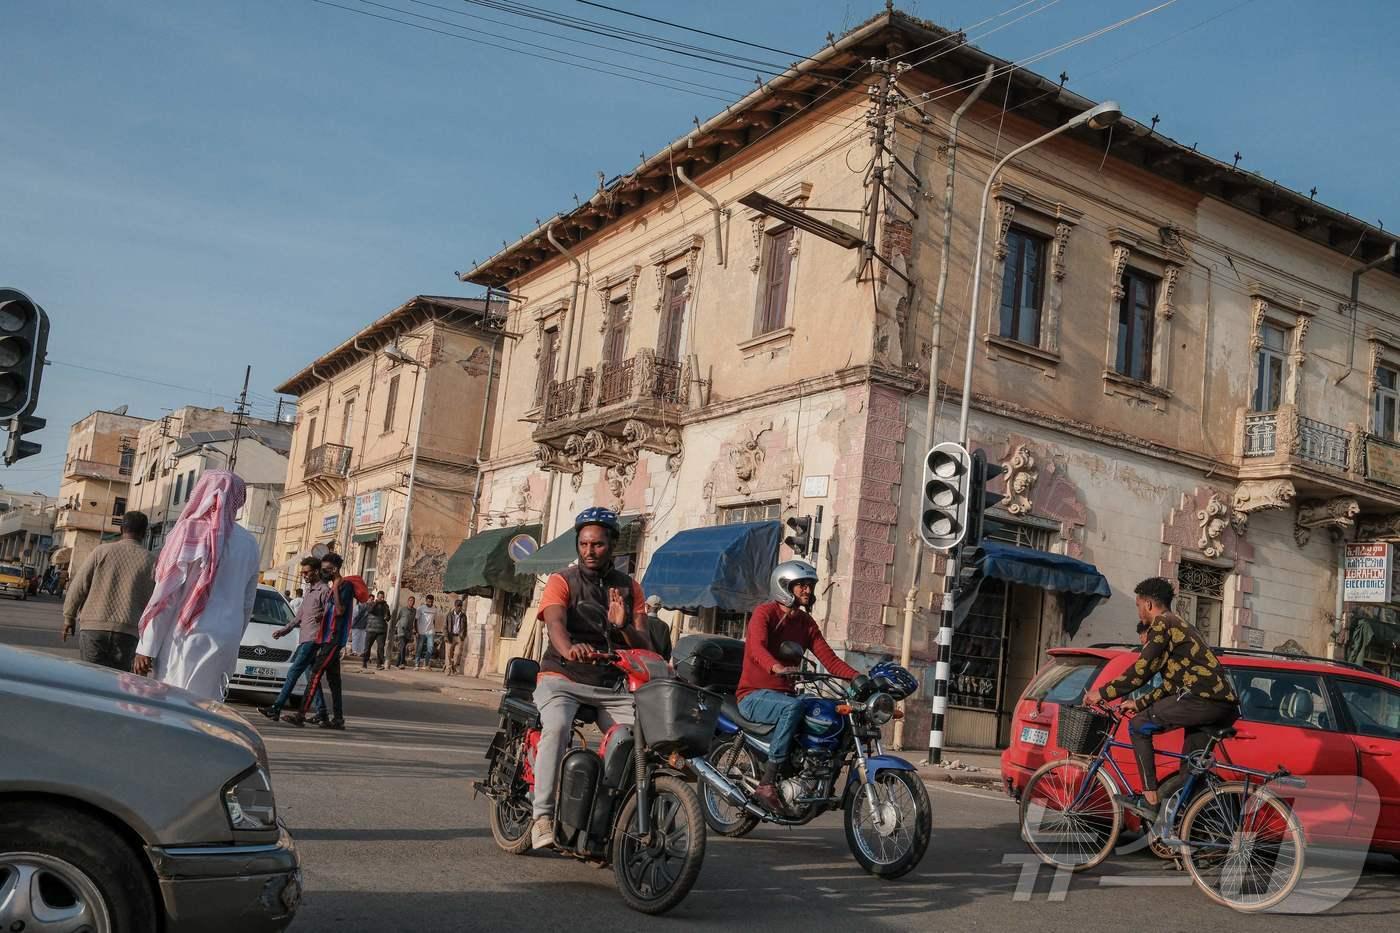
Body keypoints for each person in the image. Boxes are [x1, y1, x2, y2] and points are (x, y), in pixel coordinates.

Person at [530, 507, 652, 850]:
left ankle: (604, 817)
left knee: (633, 739)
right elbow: (554, 623)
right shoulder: (562, 580)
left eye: (597, 544)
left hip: (608, 683)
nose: (589, 551)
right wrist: (568, 649)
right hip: (562, 676)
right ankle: (542, 816)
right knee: (557, 726)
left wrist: (622, 625)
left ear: (612, 544)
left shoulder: (630, 588)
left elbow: (646, 644)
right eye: (584, 544)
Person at [1084, 577, 1240, 821]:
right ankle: (1188, 834)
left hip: (1202, 700)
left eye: (1137, 606)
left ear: (1147, 604)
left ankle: (1149, 799)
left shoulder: (1162, 624)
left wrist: (1101, 693)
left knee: (1138, 726)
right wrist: (1139, 703)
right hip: (1220, 704)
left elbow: (1141, 671)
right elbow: (1171, 682)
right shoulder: (1181, 625)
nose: (1138, 612)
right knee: (1190, 772)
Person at [737, 559, 860, 812]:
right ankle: (767, 782)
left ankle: (814, 776)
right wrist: (777, 667)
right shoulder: (765, 613)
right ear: (784, 586)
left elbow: (830, 659)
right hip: (753, 695)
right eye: (801, 585)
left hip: (785, 696)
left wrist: (858, 677)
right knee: (792, 708)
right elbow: (756, 647)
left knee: (828, 710)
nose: (807, 590)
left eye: (809, 585)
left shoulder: (806, 624)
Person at [133, 472, 261, 701]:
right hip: (225, 639)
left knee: (174, 704)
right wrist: (231, 637)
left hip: (188, 636)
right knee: (208, 708)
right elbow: (247, 603)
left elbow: (168, 594)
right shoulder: (250, 543)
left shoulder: (189, 531)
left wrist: (147, 646)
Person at [60, 511, 157, 672]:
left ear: (121, 530)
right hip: (128, 632)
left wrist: (68, 618)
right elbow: (156, 604)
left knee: (90, 679)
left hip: (93, 628)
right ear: (144, 533)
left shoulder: (101, 551)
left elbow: (78, 586)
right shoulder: (152, 561)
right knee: (117, 684)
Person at [287, 552, 355, 729]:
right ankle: (338, 719)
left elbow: (340, 611)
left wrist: (336, 590)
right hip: (326, 638)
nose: (323, 572)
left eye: (326, 569)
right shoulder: (334, 586)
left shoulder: (345, 586)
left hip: (334, 639)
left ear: (334, 569)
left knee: (315, 673)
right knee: (334, 681)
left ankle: (301, 714)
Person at [259, 557, 329, 723]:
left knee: (293, 672)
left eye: (307, 572)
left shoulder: (324, 591)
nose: (304, 575)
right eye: (302, 572)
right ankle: (323, 712)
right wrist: (284, 631)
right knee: (312, 678)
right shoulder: (310, 591)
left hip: (314, 640)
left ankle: (276, 708)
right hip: (304, 638)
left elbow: (332, 615)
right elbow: (299, 617)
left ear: (316, 571)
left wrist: (323, 617)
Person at [362, 590, 391, 670]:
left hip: (381, 630)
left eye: (382, 597)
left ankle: (379, 664)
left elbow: (388, 617)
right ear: (377, 597)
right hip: (371, 628)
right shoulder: (372, 604)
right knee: (367, 647)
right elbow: (370, 610)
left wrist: (387, 617)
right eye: (380, 597)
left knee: (381, 647)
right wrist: (376, 603)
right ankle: (364, 662)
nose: (381, 598)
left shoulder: (386, 606)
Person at [643, 594, 673, 661]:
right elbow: (668, 651)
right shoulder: (665, 626)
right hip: (658, 664)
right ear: (659, 609)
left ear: (647, 606)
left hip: (643, 662)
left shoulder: (642, 622)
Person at [415, 594, 439, 671]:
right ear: (426, 601)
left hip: (430, 632)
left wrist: (433, 629)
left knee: (431, 648)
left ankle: (426, 663)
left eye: (431, 602)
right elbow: (416, 620)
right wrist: (416, 631)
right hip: (421, 631)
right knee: (419, 648)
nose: (430, 603)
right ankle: (417, 663)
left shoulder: (435, 609)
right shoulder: (420, 608)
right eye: (429, 602)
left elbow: (434, 620)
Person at [444, 598, 467, 675]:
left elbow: (465, 627)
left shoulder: (463, 616)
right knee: (448, 654)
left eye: (460, 606)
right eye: (458, 606)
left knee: (457, 654)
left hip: (459, 637)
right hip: (450, 636)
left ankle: (453, 666)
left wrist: (463, 636)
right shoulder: (449, 615)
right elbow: (445, 626)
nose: (459, 607)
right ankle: (448, 669)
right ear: (455, 606)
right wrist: (446, 636)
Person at [393, 595, 416, 669]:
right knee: (402, 646)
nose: (411, 602)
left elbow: (414, 621)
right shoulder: (403, 609)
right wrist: (394, 628)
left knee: (402, 648)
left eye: (413, 601)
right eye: (410, 601)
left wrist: (413, 630)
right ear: (408, 601)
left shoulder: (414, 611)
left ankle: (397, 663)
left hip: (408, 632)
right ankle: (402, 663)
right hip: (401, 630)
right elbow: (398, 618)